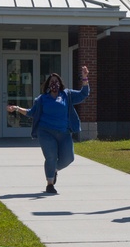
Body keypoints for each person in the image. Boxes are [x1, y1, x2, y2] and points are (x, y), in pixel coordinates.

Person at [7, 66, 89, 194]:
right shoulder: (42, 99)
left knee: (69, 158)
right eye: (51, 82)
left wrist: (85, 77)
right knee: (51, 157)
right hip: (46, 132)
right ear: (48, 84)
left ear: (60, 83)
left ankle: (53, 169)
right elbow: (31, 113)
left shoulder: (67, 95)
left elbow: (84, 94)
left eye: (56, 81)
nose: (54, 84)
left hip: (64, 133)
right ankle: (50, 184)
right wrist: (16, 108)